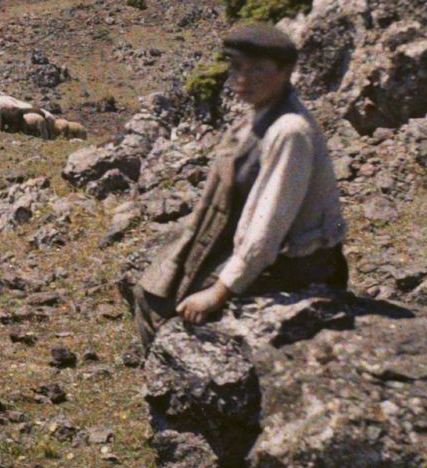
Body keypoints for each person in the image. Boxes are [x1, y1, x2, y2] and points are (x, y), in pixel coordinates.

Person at [131, 22, 348, 350]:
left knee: (172, 307)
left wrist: (218, 292)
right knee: (152, 287)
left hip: (296, 261)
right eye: (237, 67)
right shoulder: (257, 116)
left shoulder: (290, 131)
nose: (244, 79)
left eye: (259, 69)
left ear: (286, 71)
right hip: (258, 247)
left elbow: (267, 228)